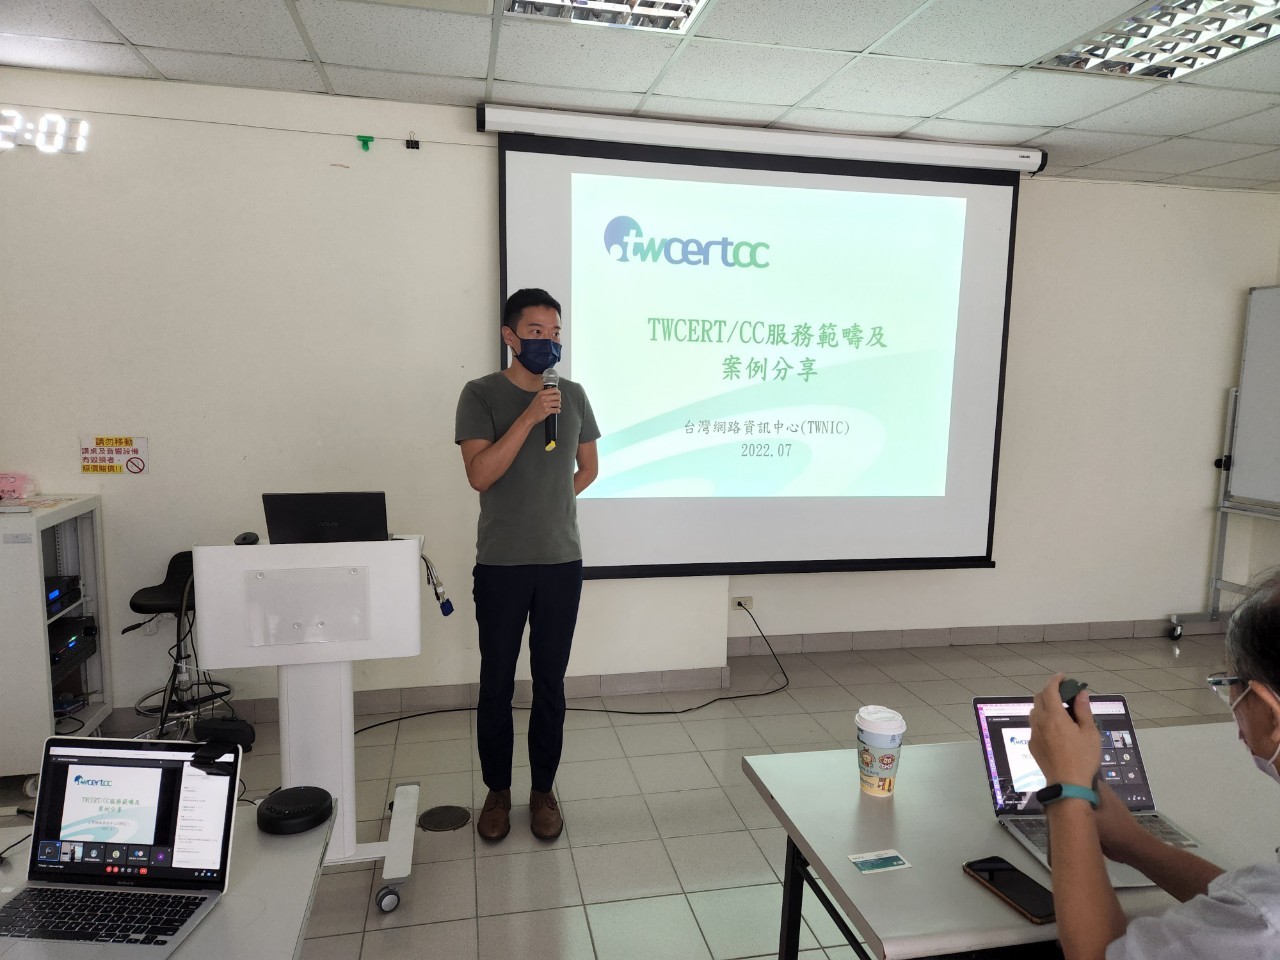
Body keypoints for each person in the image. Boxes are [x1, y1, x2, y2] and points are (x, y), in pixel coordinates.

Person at [1028, 575, 1280, 960]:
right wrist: (1135, 844)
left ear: (1269, 708)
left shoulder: (1266, 922)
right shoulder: (1261, 913)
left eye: (1231, 684)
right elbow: (1243, 907)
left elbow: (1099, 955)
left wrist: (1067, 788)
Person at [454, 288, 599, 842]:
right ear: (509, 336)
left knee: (550, 683)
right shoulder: (480, 394)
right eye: (536, 332)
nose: (549, 342)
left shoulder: (574, 395)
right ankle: (497, 791)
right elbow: (480, 474)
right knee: (496, 682)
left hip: (561, 561)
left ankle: (543, 791)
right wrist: (530, 416)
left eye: (555, 332)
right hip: (502, 563)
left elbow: (587, 468)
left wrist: (551, 504)